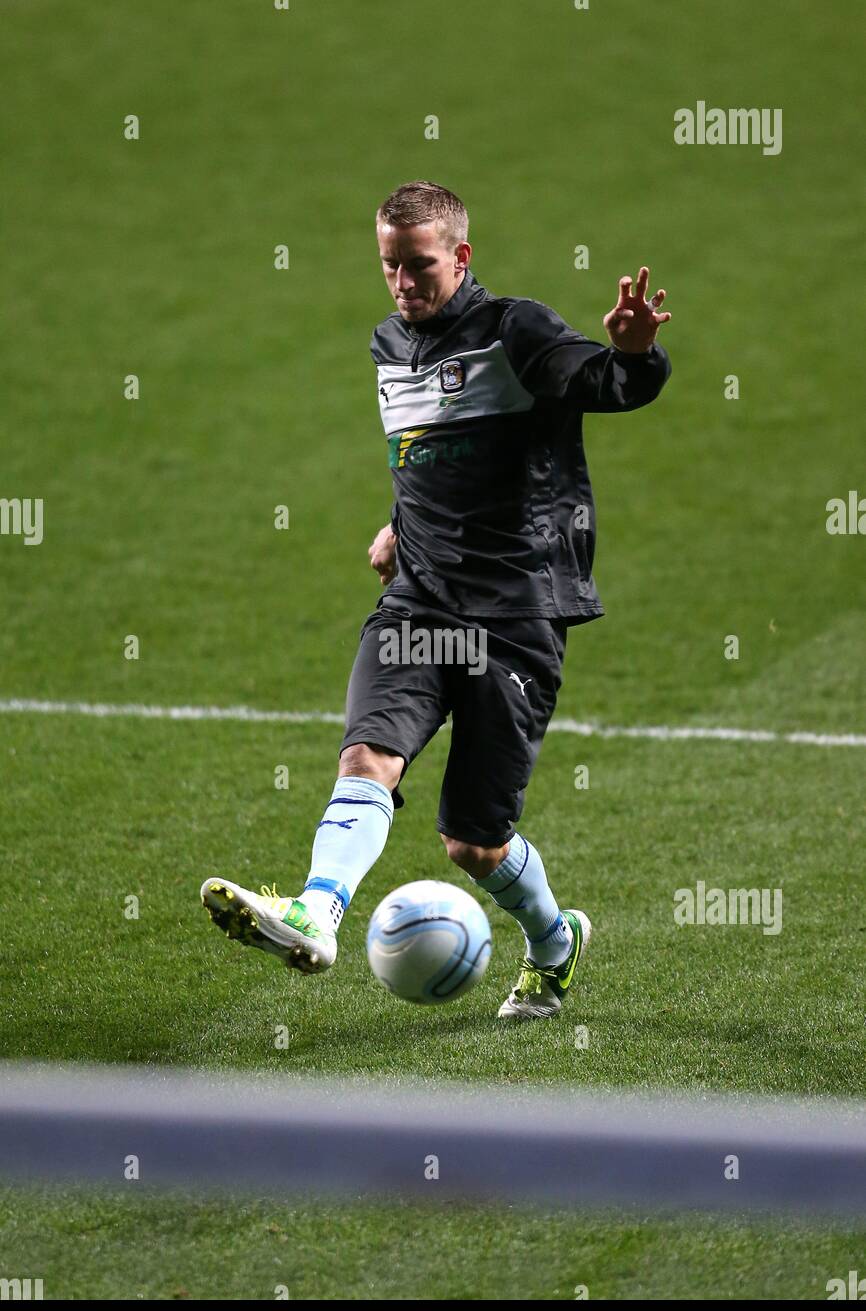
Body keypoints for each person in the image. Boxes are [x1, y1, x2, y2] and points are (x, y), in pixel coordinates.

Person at [201, 180, 671, 1021]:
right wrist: (397, 526)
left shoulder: (514, 330)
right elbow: (433, 450)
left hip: (514, 616)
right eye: (390, 265)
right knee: (367, 757)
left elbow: (602, 383)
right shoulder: (388, 342)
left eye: (419, 266)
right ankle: (315, 914)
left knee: (474, 842)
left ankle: (555, 945)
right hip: (420, 605)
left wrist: (634, 355)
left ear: (460, 257)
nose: (403, 283)